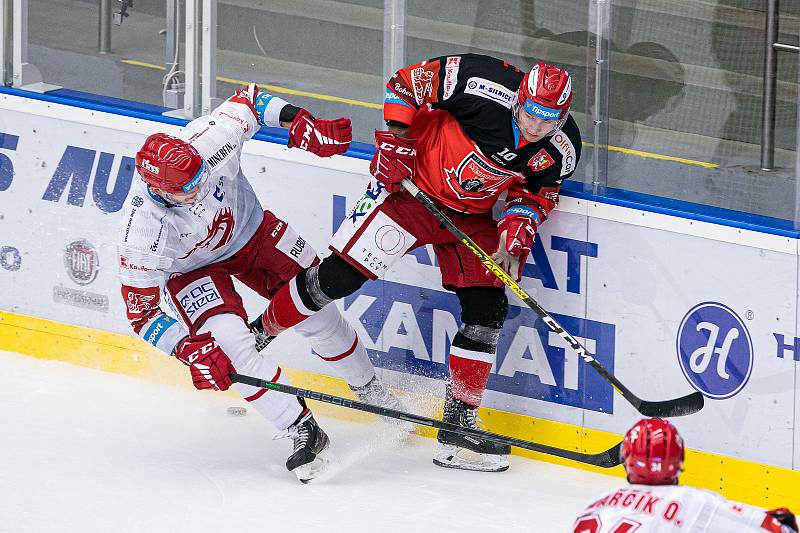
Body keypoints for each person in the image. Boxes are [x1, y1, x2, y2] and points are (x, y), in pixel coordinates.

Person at [250, 53, 582, 472]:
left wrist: (518, 228)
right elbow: (405, 84)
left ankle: (458, 427)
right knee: (336, 279)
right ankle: (258, 333)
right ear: (519, 98)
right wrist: (396, 141)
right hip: (412, 191)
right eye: (530, 112)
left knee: (487, 310)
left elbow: (536, 194)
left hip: (472, 216)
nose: (535, 126)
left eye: (547, 120)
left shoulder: (563, 148)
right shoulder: (480, 82)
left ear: (562, 117)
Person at [117, 83, 405, 483]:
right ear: (158, 190)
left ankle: (370, 389)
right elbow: (142, 314)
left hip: (254, 233)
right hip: (193, 272)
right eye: (189, 189)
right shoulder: (142, 232)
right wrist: (185, 348)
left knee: (318, 316)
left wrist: (300, 120)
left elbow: (250, 99)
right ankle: (300, 426)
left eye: (201, 176)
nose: (201, 188)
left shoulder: (208, 141)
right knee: (232, 348)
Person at [573, 418, 798, 532]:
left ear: (627, 459)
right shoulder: (694, 503)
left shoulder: (594, 504)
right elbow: (773, 527)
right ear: (678, 459)